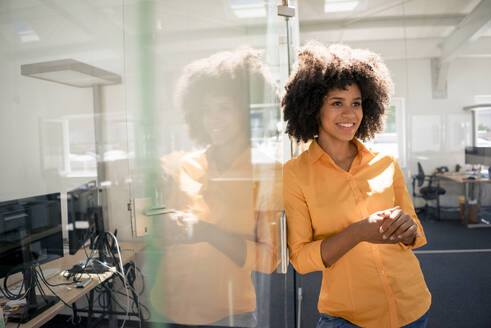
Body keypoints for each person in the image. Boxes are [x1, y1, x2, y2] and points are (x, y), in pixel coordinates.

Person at [282, 41, 431, 328]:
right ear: (313, 108)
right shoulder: (295, 174)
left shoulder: (386, 163)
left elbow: (414, 230)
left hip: (413, 306)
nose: (350, 114)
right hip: (349, 318)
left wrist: (409, 229)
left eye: (356, 103)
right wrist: (358, 233)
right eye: (337, 103)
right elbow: (300, 258)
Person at [149, 48, 283, 327]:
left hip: (227, 314)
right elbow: (167, 235)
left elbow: (270, 258)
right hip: (167, 305)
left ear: (246, 111)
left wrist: (207, 232)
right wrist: (163, 227)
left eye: (223, 107)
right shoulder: (186, 165)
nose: (213, 119)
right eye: (206, 110)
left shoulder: (267, 173)